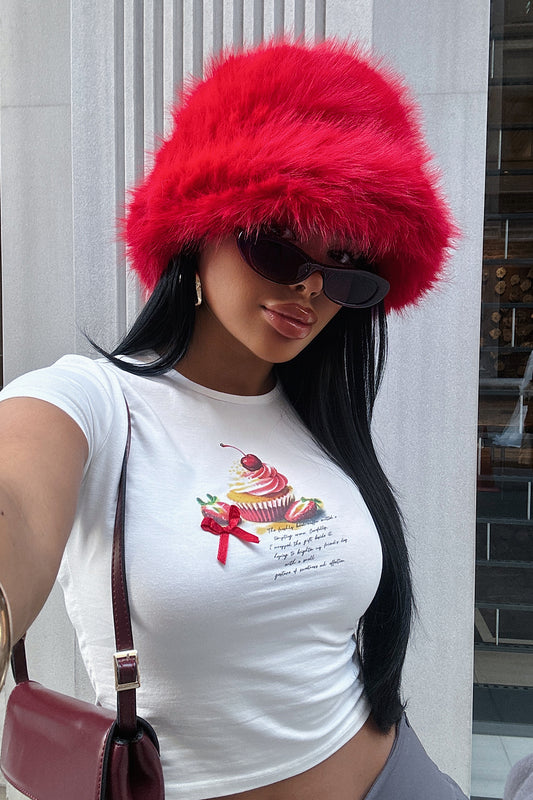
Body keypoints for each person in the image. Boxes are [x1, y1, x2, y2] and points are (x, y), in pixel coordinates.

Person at [0, 38, 466, 800]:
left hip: (398, 775)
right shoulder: (94, 403)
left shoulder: (316, 417)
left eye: (345, 267)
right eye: (278, 246)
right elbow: (16, 499)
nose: (310, 288)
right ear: (197, 230)